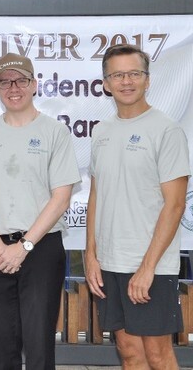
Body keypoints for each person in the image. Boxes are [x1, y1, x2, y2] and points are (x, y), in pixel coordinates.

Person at [0, 53, 81, 370]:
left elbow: (61, 197)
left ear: (34, 85)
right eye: (5, 81)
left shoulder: (54, 132)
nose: (13, 87)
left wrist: (25, 246)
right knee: (1, 341)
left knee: (38, 340)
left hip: (41, 247)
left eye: (21, 80)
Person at [85, 44, 190, 370]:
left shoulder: (166, 130)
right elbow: (96, 195)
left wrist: (147, 267)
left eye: (134, 73)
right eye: (117, 74)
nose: (126, 81)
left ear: (147, 80)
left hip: (151, 265)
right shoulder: (101, 132)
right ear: (105, 82)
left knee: (158, 354)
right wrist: (90, 255)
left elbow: (174, 206)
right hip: (109, 263)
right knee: (128, 350)